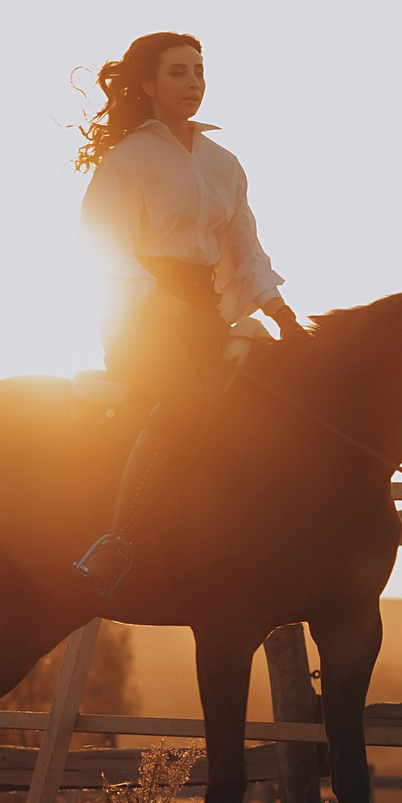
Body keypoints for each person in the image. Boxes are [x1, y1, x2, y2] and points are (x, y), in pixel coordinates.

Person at [70, 31, 303, 598]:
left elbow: (246, 249)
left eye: (199, 70)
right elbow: (104, 248)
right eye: (178, 72)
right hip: (140, 319)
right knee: (188, 400)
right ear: (148, 84)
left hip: (205, 313)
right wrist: (169, 306)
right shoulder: (128, 159)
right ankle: (117, 539)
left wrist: (279, 310)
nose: (194, 82)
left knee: (271, 398)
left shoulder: (225, 164)